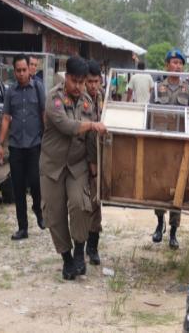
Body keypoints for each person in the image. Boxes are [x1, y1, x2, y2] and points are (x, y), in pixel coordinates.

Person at [40, 56, 107, 280]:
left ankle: (80, 251)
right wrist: (90, 124)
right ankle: (67, 259)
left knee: (80, 205)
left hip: (77, 166)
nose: (79, 86)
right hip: (53, 166)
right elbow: (66, 126)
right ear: (66, 77)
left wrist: (93, 167)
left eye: (82, 82)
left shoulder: (88, 101)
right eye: (75, 81)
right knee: (54, 214)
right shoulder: (53, 98)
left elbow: (90, 139)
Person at [0, 54, 46, 240]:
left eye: (24, 70)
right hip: (16, 146)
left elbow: (43, 114)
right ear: (14, 71)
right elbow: (6, 118)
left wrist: (47, 138)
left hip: (35, 144)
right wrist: (0, 144)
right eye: (18, 71)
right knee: (18, 187)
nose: (21, 73)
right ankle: (22, 228)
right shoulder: (10, 92)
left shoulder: (38, 88)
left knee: (35, 181)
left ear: (29, 70)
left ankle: (38, 210)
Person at [149, 48, 189, 249]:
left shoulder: (188, 89)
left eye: (179, 63)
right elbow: (149, 113)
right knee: (159, 185)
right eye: (173, 62)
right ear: (167, 65)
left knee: (179, 187)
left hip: (181, 145)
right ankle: (160, 223)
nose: (176, 66)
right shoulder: (158, 88)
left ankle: (174, 231)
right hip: (162, 143)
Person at [84, 59, 104, 265]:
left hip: (98, 158)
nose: (92, 85)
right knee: (83, 204)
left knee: (96, 202)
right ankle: (81, 245)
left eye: (95, 81)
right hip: (82, 159)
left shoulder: (101, 97)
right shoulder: (80, 100)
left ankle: (93, 246)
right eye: (89, 81)